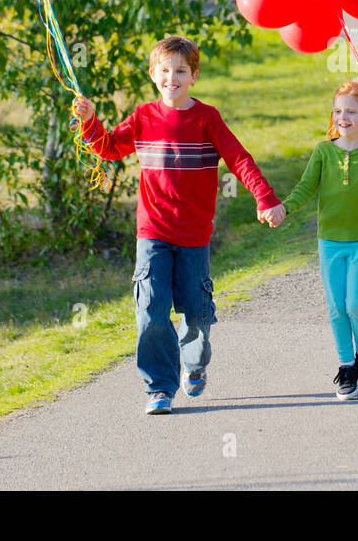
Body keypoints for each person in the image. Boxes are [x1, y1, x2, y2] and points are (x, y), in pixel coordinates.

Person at [75, 35, 284, 416]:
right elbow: (108, 147)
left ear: (194, 76)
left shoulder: (207, 119)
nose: (172, 77)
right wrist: (90, 122)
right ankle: (159, 387)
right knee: (151, 308)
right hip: (152, 232)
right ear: (154, 74)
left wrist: (264, 197)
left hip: (193, 236)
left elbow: (240, 160)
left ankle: (196, 363)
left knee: (196, 312)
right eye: (165, 70)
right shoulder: (143, 117)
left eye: (181, 71)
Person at [259, 81, 358, 400]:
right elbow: (305, 188)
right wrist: (284, 208)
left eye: (352, 111)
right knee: (336, 307)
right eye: (338, 110)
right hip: (329, 241)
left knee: (356, 303)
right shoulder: (323, 151)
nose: (343, 116)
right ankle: (346, 366)